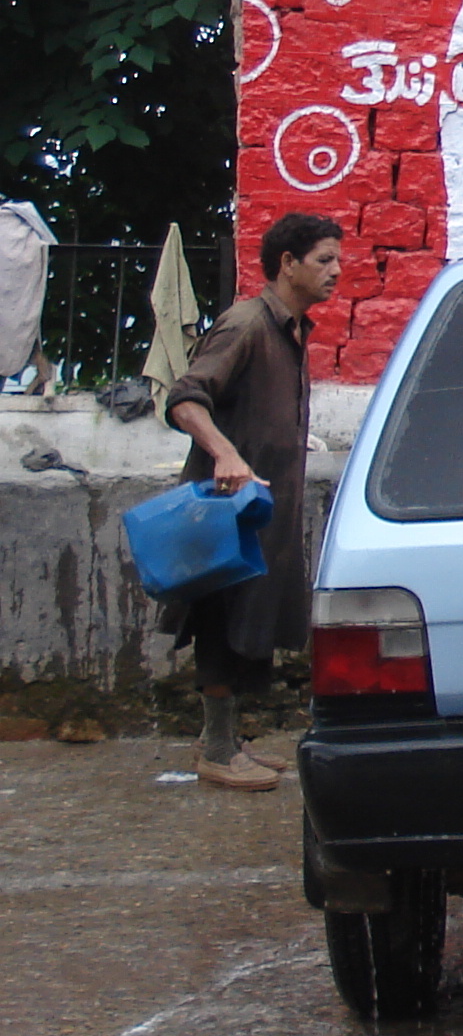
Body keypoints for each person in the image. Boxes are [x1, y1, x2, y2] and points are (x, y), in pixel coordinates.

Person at [162, 213, 343, 791]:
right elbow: (185, 399)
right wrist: (224, 454)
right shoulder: (245, 325)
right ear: (288, 264)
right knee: (220, 619)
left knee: (250, 620)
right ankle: (216, 748)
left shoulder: (290, 328)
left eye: (337, 260)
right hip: (227, 510)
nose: (336, 272)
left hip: (263, 513)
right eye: (324, 260)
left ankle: (227, 739)